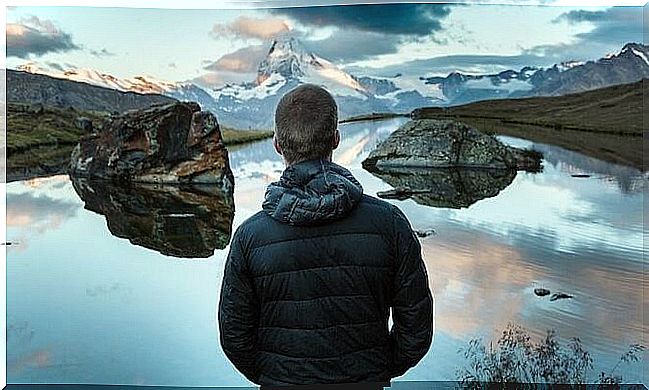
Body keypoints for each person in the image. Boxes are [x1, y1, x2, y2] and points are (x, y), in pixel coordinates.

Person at [218, 84, 434, 389]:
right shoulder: (390, 224)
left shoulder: (249, 238)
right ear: (336, 138)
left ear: (278, 144)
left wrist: (276, 375)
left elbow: (235, 338)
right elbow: (416, 329)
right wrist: (374, 368)